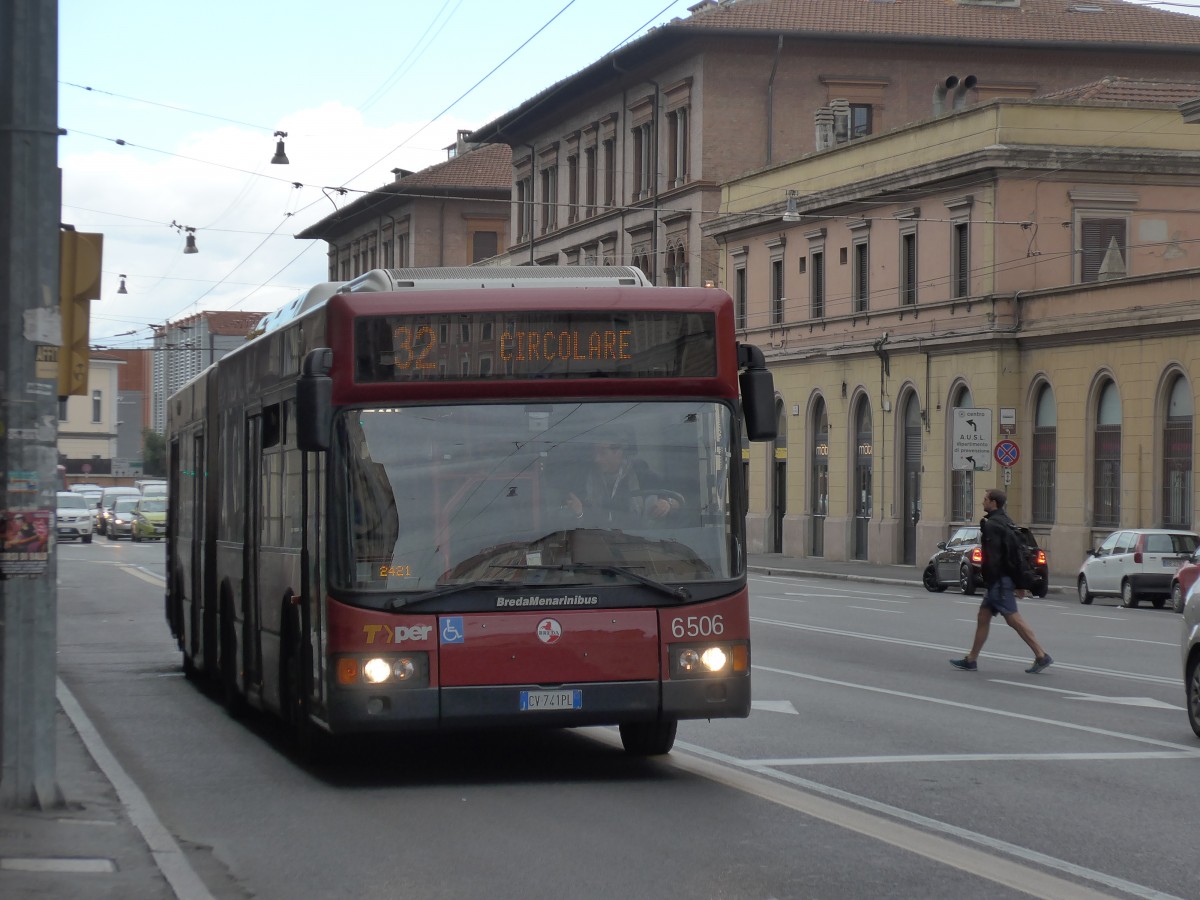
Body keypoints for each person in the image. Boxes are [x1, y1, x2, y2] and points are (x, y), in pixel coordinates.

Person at [950, 488, 1052, 674]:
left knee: (1014, 619)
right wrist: (1018, 583)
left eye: (985, 499)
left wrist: (995, 580)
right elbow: (1013, 555)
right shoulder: (1006, 521)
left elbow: (995, 558)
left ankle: (1041, 655)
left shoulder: (992, 525)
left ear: (993, 503)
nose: (983, 502)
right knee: (983, 616)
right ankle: (971, 659)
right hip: (1001, 580)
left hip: (999, 581)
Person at [562, 438, 679, 525]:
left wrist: (668, 503)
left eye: (602, 453)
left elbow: (678, 498)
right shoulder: (583, 479)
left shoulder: (642, 474)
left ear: (619, 453)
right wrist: (579, 513)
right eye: (595, 453)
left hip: (639, 542)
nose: (596, 459)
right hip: (594, 542)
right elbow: (573, 523)